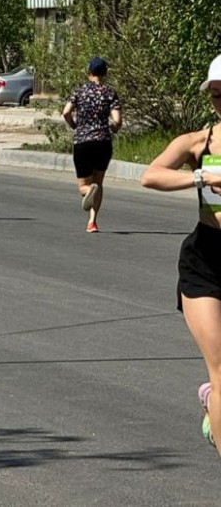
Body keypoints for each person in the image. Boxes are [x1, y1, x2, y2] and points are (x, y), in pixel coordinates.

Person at [141, 53, 221, 455]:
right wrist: (200, 175)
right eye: (218, 95)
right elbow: (150, 174)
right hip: (205, 261)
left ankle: (211, 401)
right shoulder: (199, 142)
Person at [63, 56, 123, 233]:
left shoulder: (79, 92)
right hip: (103, 142)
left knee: (84, 185)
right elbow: (117, 120)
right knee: (99, 182)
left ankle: (89, 191)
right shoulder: (110, 93)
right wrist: (114, 127)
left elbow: (66, 112)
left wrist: (75, 125)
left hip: (83, 142)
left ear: (88, 72)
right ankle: (92, 221)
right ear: (105, 73)